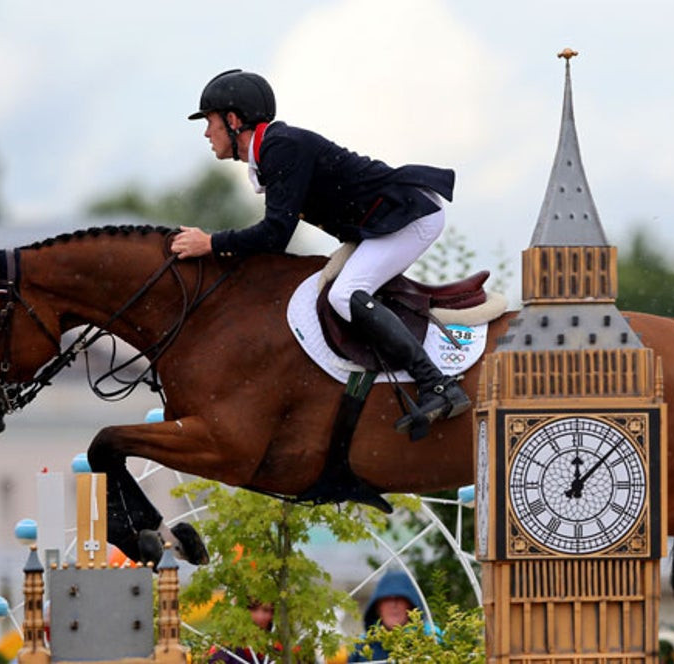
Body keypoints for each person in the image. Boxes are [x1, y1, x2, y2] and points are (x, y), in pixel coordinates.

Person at [171, 69, 470, 437]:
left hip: (411, 215)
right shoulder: (271, 152)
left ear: (232, 121)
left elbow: (274, 236)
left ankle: (437, 385)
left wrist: (212, 243)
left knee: (346, 294)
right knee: (337, 289)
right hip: (385, 221)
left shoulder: (281, 148)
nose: (206, 133)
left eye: (210, 122)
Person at [348, 568, 429, 662]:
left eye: (399, 598)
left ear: (411, 605)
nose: (393, 605)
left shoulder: (430, 641)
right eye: (387, 599)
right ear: (377, 607)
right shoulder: (361, 647)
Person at [207, 600, 275, 663]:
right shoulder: (223, 648)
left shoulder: (280, 646)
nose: (260, 617)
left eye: (266, 610)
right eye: (253, 609)